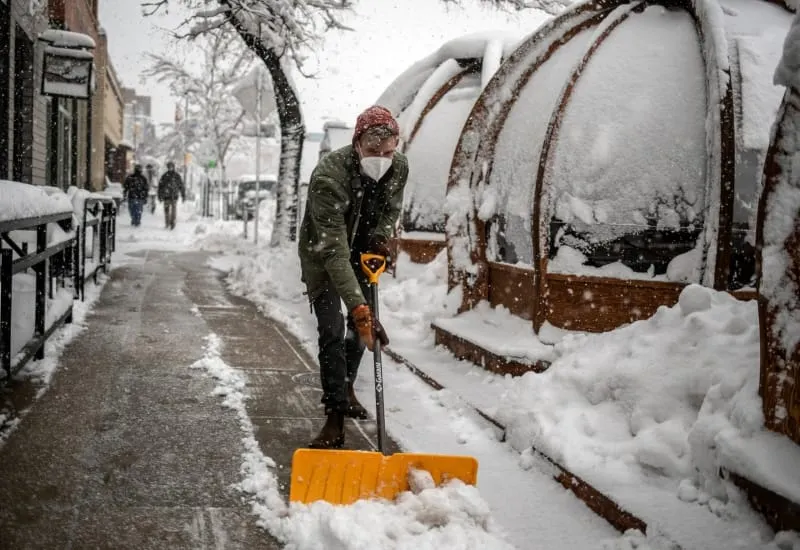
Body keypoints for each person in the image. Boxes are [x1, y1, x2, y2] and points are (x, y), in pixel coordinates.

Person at [298, 105, 408, 449]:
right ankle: (334, 418)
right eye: (373, 152)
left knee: (362, 328)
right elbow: (333, 252)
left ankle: (346, 388)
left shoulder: (399, 167)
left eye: (388, 152)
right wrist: (359, 309)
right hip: (323, 254)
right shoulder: (328, 177)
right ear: (357, 143)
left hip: (362, 251)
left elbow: (391, 210)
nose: (381, 159)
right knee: (332, 329)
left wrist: (380, 236)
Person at [158, 161, 185, 230]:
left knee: (173, 211)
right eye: (169, 167)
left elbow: (181, 186)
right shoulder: (164, 176)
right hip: (166, 196)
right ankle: (167, 223)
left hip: (174, 196)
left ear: (173, 167)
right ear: (168, 167)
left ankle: (172, 222)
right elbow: (160, 186)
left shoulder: (177, 176)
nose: (170, 168)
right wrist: (160, 196)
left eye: (171, 167)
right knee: (166, 210)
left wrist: (183, 195)